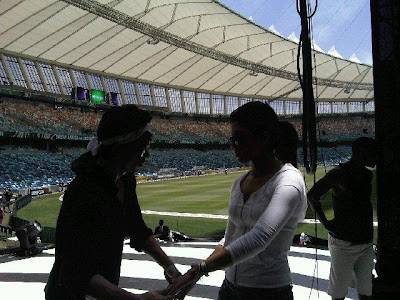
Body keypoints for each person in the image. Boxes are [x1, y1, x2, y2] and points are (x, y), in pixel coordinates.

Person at [167, 101, 308, 300]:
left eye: (239, 137)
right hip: (230, 287)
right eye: (232, 138)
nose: (233, 144)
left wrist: (198, 270)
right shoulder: (239, 182)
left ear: (264, 137)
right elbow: (229, 238)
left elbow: (260, 238)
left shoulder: (289, 181)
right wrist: (197, 275)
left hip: (269, 291)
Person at [45, 105, 180, 300]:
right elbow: (76, 273)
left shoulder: (125, 179)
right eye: (142, 149)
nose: (147, 155)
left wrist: (169, 267)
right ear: (119, 149)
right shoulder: (82, 192)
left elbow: (137, 228)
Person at [307, 137, 377, 300]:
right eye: (373, 153)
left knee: (366, 291)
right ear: (362, 153)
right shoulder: (339, 173)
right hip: (344, 245)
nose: (377, 158)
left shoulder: (367, 174)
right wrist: (327, 224)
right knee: (339, 293)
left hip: (365, 242)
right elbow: (312, 195)